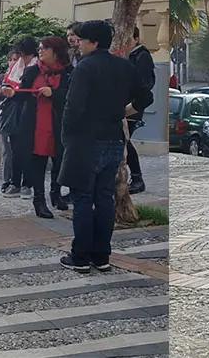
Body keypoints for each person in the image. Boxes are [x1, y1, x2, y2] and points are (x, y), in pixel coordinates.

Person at [58, 20, 155, 270]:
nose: (77, 44)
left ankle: (80, 256)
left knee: (82, 198)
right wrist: (124, 111)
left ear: (94, 42)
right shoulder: (124, 66)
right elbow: (146, 96)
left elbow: (73, 107)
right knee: (104, 199)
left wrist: (67, 137)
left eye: (81, 40)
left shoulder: (85, 68)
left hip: (86, 140)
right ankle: (101, 256)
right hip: (113, 138)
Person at [2, 37, 73, 219]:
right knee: (37, 162)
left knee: (59, 160)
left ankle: (55, 193)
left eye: (45, 49)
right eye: (40, 49)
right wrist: (12, 93)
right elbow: (22, 95)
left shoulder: (68, 72)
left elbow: (73, 95)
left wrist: (54, 93)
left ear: (56, 52)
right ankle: (39, 200)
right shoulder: (32, 71)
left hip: (59, 123)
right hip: (35, 124)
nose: (40, 51)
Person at [125, 27, 156, 194]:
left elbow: (145, 84)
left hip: (132, 107)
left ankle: (137, 178)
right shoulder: (128, 55)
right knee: (122, 140)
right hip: (124, 103)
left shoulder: (142, 56)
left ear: (136, 38)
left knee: (124, 140)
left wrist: (132, 103)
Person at [0, 49, 23, 197]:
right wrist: (5, 90)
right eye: (11, 59)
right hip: (6, 118)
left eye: (16, 59)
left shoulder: (25, 77)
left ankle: (19, 181)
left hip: (19, 118)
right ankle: (6, 179)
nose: (13, 62)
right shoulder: (2, 78)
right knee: (7, 150)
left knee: (19, 150)